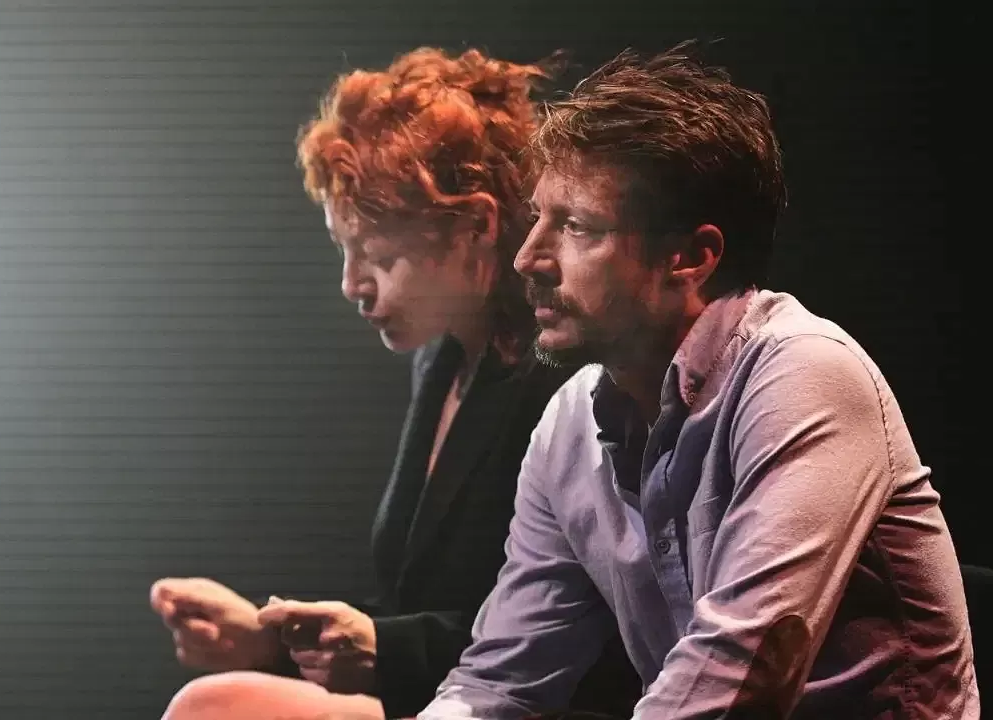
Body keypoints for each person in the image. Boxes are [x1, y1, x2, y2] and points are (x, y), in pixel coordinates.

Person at [416, 40, 979, 719]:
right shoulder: (570, 422)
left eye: (576, 226)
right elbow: (499, 681)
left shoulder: (804, 375)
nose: (528, 258)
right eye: (538, 218)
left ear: (690, 256)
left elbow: (735, 674)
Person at [151, 47, 641, 720]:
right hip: (455, 700)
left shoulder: (568, 382)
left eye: (379, 255)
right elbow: (422, 611)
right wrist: (269, 640)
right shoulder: (443, 363)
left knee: (213, 708)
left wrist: (385, 648)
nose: (351, 284)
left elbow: (596, 637)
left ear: (476, 227)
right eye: (345, 250)